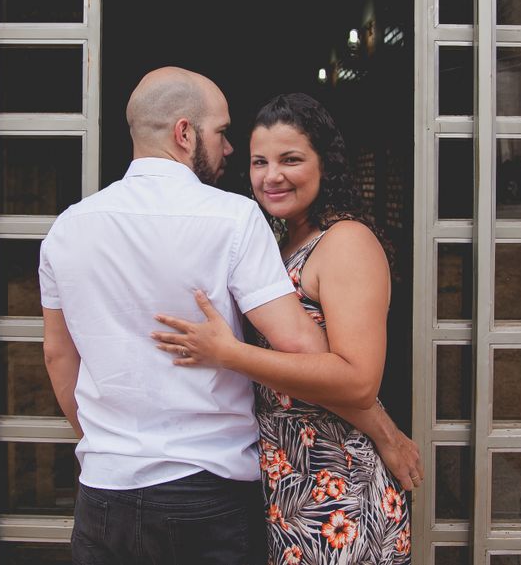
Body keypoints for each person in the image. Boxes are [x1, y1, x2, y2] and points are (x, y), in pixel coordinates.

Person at [41, 68, 418, 564]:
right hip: (212, 492)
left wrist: (109, 446)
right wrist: (384, 428)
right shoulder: (236, 220)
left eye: (289, 159)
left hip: (109, 493)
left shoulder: (67, 227)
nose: (238, 156)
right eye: (223, 134)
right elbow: (305, 349)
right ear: (184, 133)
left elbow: (56, 354)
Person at [152, 92, 418, 564]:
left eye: (290, 159)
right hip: (289, 483)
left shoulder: (345, 242)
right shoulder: (277, 239)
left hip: (339, 489)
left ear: (325, 165)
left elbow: (358, 379)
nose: (271, 176)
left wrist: (229, 354)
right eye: (259, 162)